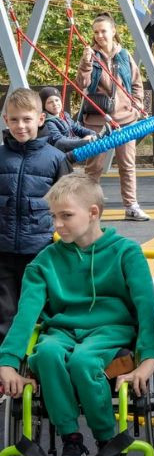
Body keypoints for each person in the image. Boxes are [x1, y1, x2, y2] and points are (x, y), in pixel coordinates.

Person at [0, 173, 154, 456]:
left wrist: (149, 358)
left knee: (84, 361)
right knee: (46, 354)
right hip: (62, 331)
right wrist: (7, 362)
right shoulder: (44, 261)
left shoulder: (126, 253)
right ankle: (72, 440)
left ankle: (107, 441)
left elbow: (146, 309)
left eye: (66, 216)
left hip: (110, 330)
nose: (57, 225)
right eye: (54, 217)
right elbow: (24, 315)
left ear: (93, 213)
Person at [0, 88, 70, 338]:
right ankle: (6, 370)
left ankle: (34, 367)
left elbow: (70, 205)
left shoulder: (55, 159)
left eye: (27, 119)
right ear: (6, 120)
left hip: (40, 251)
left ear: (40, 119)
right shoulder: (0, 157)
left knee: (38, 311)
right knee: (4, 315)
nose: (21, 126)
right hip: (3, 252)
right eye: (14, 119)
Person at [76, 12, 150, 221]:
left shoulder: (124, 56)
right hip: (98, 119)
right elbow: (81, 84)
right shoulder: (92, 56)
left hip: (125, 119)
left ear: (113, 32)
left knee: (127, 165)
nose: (99, 36)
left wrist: (136, 106)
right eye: (96, 32)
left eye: (103, 31)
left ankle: (131, 205)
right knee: (94, 167)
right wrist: (86, 63)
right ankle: (89, 207)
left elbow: (137, 83)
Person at [38, 86, 98, 152]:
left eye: (57, 100)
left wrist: (92, 133)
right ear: (44, 106)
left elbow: (76, 128)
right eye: (50, 102)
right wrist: (83, 141)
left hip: (73, 146)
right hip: (62, 153)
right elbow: (60, 142)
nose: (55, 104)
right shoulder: (48, 122)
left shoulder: (64, 115)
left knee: (97, 143)